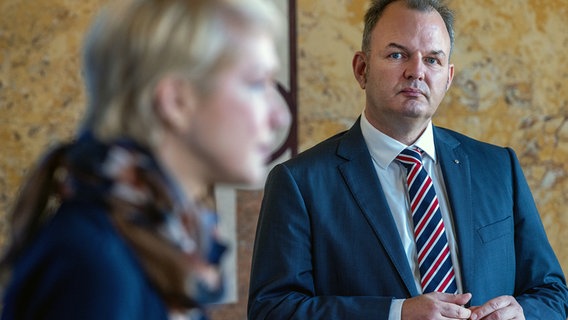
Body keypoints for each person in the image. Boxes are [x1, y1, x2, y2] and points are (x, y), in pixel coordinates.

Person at [248, 0, 568, 319]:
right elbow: (272, 310)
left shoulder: (498, 168)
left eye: (432, 59)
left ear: (448, 77)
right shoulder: (300, 183)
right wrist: (396, 314)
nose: (416, 71)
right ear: (362, 69)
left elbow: (553, 294)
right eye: (397, 55)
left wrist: (524, 313)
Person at [0, 0, 288, 319]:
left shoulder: (162, 236)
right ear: (177, 102)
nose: (279, 116)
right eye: (257, 83)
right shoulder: (95, 263)